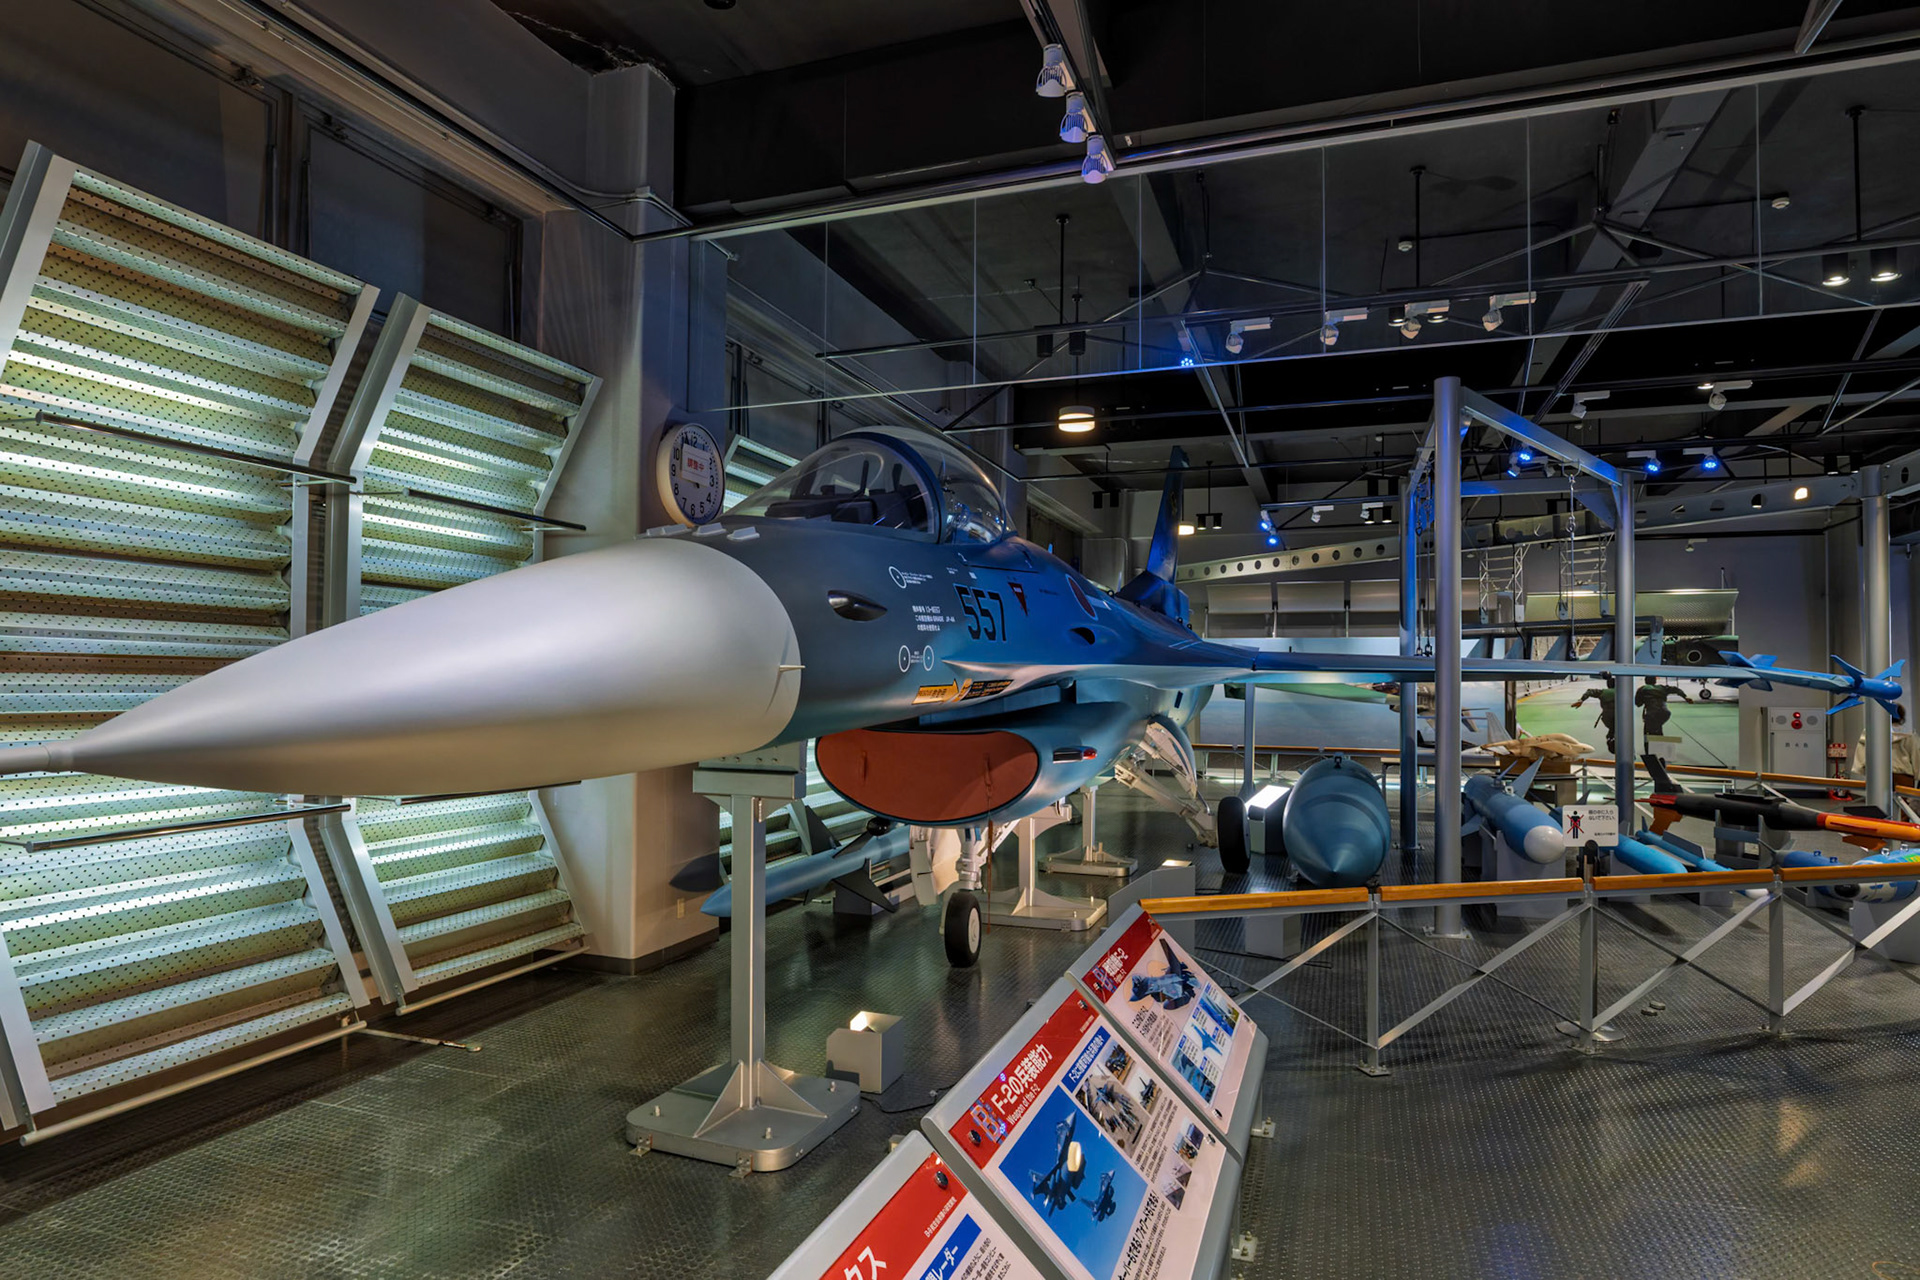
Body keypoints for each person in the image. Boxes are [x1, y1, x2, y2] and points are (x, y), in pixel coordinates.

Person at [1571, 679, 1618, 754]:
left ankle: (1611, 741)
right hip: (1621, 718)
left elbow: (1590, 691)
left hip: (1607, 718)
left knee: (1612, 730)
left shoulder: (1603, 692)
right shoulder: (1623, 691)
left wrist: (1581, 700)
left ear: (1608, 685)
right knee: (1615, 731)